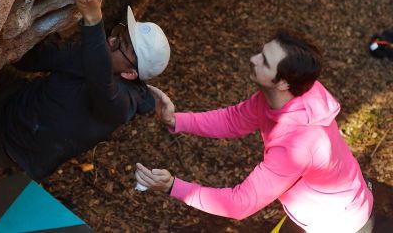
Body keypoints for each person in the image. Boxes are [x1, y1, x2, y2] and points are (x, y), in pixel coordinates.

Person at [0, 0, 171, 180]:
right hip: (13, 99)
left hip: (2, 143)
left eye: (122, 44)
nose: (111, 39)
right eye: (118, 32)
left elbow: (103, 84)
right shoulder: (93, 55)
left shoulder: (120, 106)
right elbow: (34, 59)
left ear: (130, 73)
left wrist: (93, 20)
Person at [136, 30, 375, 233]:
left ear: (282, 83)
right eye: (261, 53)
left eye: (265, 61)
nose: (253, 58)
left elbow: (240, 204)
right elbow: (233, 120)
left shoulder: (297, 146)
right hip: (327, 204)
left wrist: (173, 187)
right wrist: (176, 120)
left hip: (336, 224)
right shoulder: (290, 93)